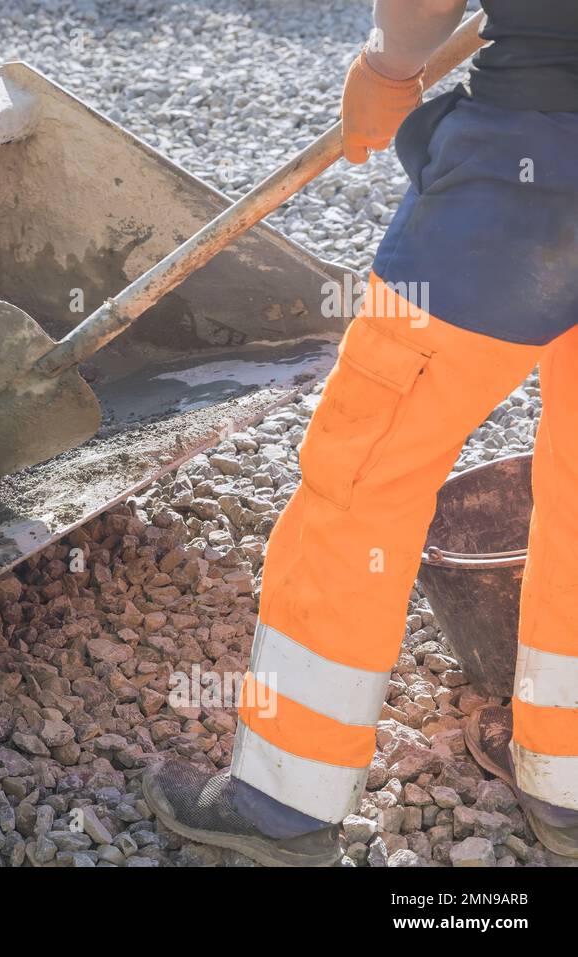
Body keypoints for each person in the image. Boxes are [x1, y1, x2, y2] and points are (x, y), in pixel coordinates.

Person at [139, 0, 578, 866]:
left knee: (364, 474)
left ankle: (284, 794)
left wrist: (388, 67)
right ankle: (567, 784)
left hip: (520, 188)